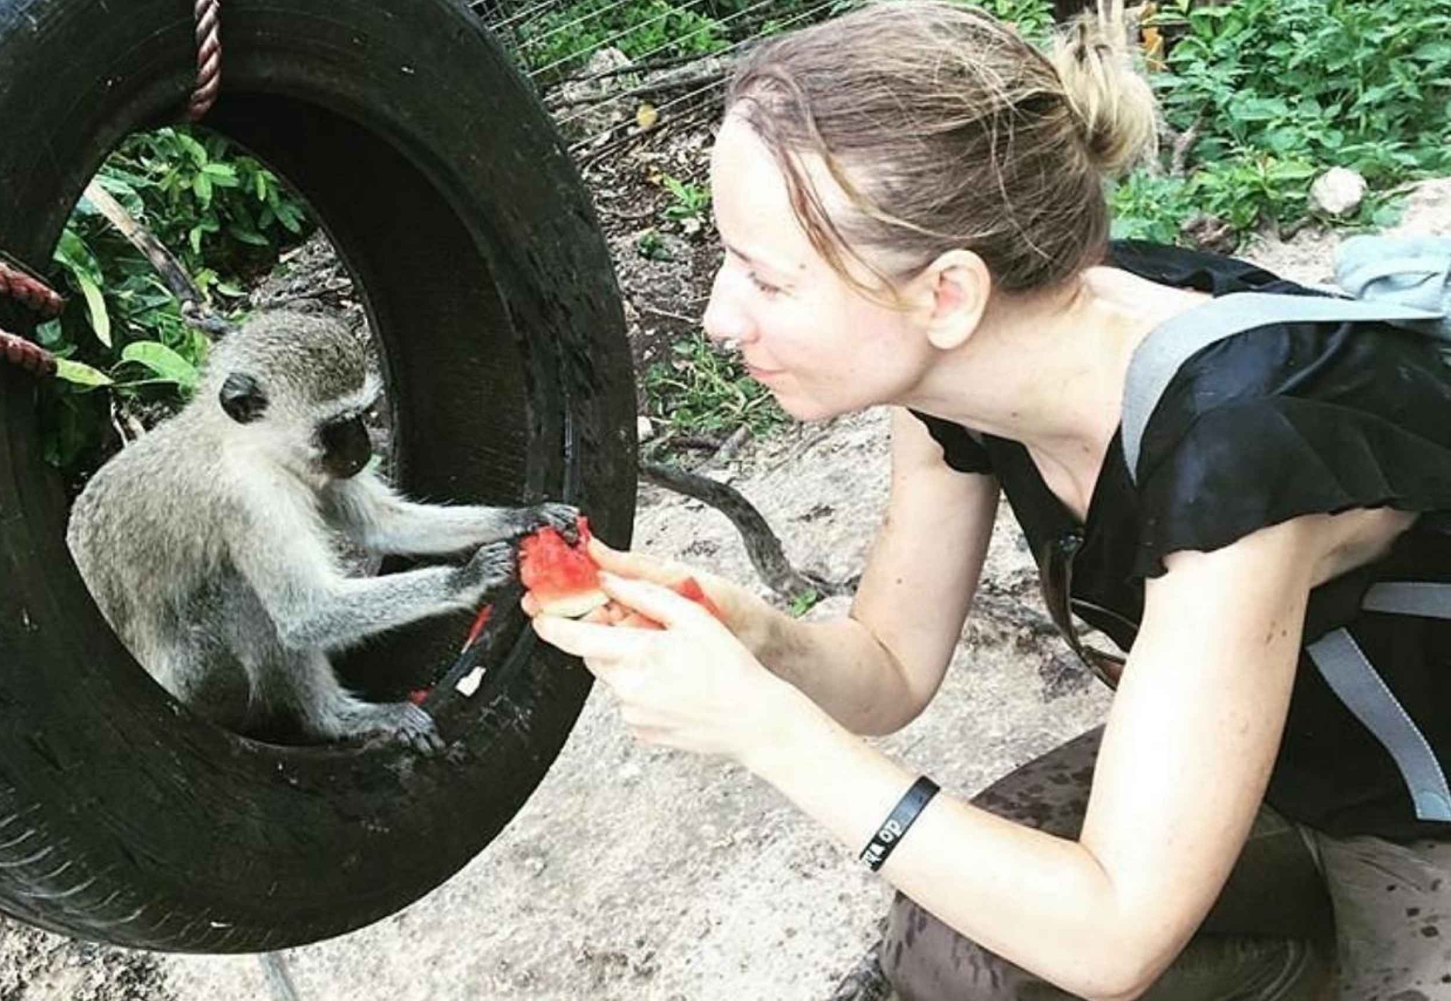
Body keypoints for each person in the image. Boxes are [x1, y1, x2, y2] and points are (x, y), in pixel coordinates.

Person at [523, 2, 1451, 997]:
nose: (716, 316)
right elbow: (887, 668)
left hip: (1417, 815)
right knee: (954, 953)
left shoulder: (1237, 446)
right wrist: (749, 633)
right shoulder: (969, 374)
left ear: (947, 294)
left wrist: (763, 727)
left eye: (766, 278)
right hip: (1276, 772)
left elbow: (1112, 933)